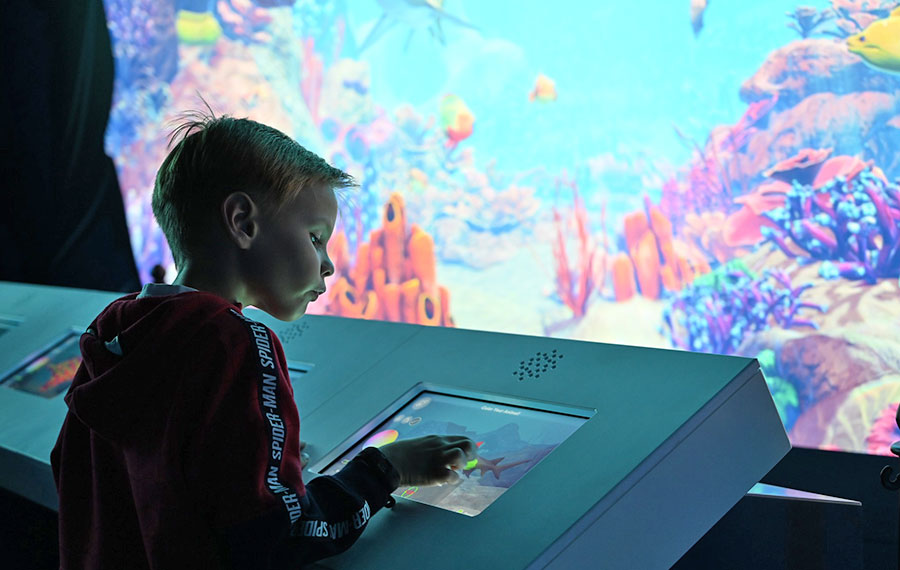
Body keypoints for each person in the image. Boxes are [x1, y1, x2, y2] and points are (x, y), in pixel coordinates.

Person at [50, 111, 477, 569]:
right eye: (316, 238)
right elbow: (280, 535)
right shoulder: (236, 343)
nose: (328, 265)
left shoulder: (116, 332)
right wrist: (385, 469)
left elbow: (74, 469)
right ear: (242, 222)